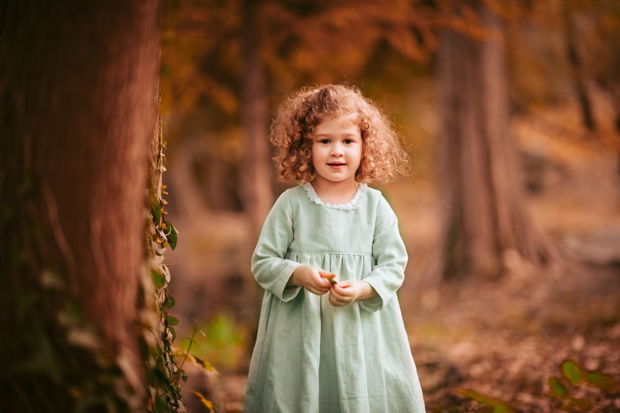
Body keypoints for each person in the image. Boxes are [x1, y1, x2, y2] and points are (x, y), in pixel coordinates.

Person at [244, 84, 425, 413]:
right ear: (305, 146)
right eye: (324, 141)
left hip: (361, 329)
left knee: (360, 393)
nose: (337, 151)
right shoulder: (292, 204)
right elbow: (263, 261)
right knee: (302, 395)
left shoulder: (375, 206)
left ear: (365, 146)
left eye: (348, 140)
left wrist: (363, 287)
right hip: (301, 333)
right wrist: (298, 273)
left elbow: (393, 263)